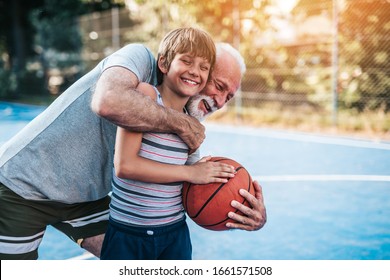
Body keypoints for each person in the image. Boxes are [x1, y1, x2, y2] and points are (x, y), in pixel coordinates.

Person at [0, 35, 266, 261]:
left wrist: (243, 210)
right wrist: (181, 123)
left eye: (228, 97)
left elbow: (190, 186)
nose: (220, 101)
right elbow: (107, 101)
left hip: (85, 200)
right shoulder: (139, 60)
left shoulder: (189, 125)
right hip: (24, 185)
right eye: (219, 86)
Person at [100, 27, 236, 260]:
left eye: (204, 67)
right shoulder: (147, 97)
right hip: (128, 233)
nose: (195, 72)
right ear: (163, 64)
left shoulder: (191, 121)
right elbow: (125, 166)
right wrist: (190, 173)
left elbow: (197, 176)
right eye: (186, 61)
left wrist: (237, 198)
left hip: (174, 233)